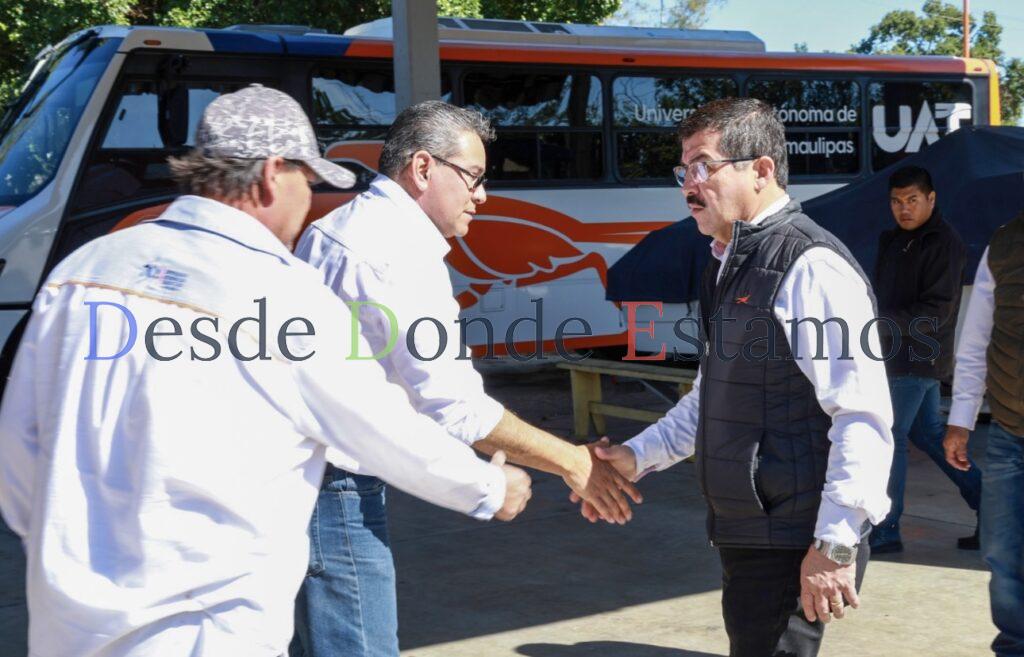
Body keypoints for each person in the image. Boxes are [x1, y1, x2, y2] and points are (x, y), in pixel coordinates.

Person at [0, 84, 532, 657]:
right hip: (209, 632)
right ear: (273, 173)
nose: (310, 204)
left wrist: (74, 561)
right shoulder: (280, 294)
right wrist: (488, 486)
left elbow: (19, 454)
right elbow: (379, 427)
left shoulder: (85, 270)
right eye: (308, 182)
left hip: (69, 633)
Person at [291, 100, 642, 657]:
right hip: (336, 496)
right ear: (424, 168)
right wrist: (571, 463)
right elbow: (456, 409)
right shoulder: (395, 251)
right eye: (473, 177)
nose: (482, 196)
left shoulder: (345, 228)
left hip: (307, 487)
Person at [576, 97, 894, 657]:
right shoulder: (731, 260)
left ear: (762, 170)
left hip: (795, 538)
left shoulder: (810, 266)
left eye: (702, 166)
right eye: (683, 171)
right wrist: (636, 456)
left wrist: (835, 545)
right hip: (751, 531)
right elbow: (713, 396)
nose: (688, 186)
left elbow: (862, 415)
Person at [870, 165, 981, 553]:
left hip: (918, 358)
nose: (904, 209)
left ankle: (885, 530)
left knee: (891, 437)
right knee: (928, 435)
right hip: (891, 355)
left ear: (931, 199)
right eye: (896, 202)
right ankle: (997, 511)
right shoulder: (892, 240)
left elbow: (938, 311)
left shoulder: (944, 242)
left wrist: (878, 323)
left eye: (912, 200)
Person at [944, 212, 1024, 657]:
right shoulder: (1005, 242)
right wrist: (961, 419)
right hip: (1010, 432)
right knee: (1002, 552)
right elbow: (976, 339)